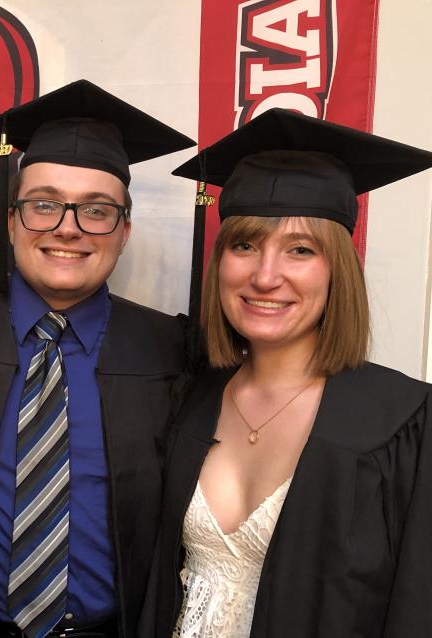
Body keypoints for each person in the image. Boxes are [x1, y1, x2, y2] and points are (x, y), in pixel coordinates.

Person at [0, 80, 195, 638]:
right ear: (11, 220)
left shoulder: (169, 351)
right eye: (45, 204)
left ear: (124, 232)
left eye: (97, 211)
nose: (68, 227)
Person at [143, 109, 432, 637]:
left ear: (337, 270)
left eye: (300, 250)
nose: (265, 275)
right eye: (244, 245)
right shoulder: (190, 395)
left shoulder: (404, 422)